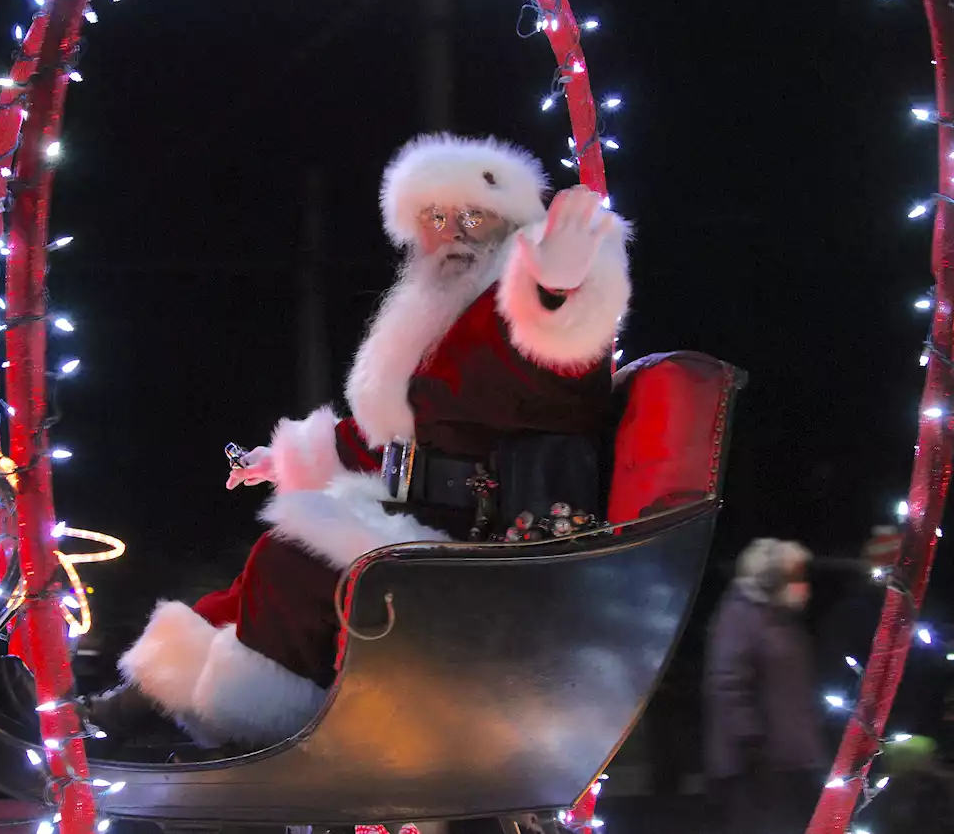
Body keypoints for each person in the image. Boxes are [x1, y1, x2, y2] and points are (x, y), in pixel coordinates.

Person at [89, 132, 633, 750]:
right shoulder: (440, 308)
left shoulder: (516, 297)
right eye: (435, 217)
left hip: (483, 535)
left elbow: (563, 366)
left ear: (509, 224)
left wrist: (558, 290)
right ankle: (151, 699)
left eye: (473, 215)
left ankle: (253, 729)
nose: (453, 231)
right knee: (263, 572)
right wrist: (293, 457)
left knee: (290, 560)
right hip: (423, 509)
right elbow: (397, 431)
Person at [703, 538, 827, 834]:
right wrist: (750, 740)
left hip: (792, 759)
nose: (802, 584)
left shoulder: (782, 618)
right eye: (795, 576)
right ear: (771, 578)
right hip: (756, 766)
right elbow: (728, 682)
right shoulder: (740, 617)